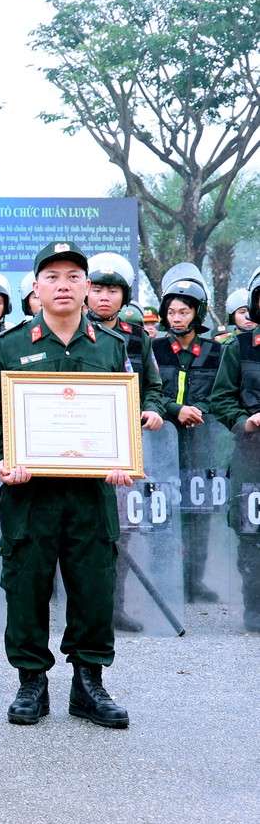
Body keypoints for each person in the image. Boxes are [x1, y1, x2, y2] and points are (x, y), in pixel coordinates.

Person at [0, 241, 136, 729]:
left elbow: (126, 410)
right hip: (30, 494)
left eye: (72, 277)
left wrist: (122, 455)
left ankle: (89, 684)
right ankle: (31, 683)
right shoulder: (11, 345)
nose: (62, 285)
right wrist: (3, 459)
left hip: (90, 495)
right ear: (36, 288)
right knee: (26, 585)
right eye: (52, 277)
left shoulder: (111, 347)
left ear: (87, 287)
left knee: (93, 587)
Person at [84, 253, 171, 631]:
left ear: (124, 296)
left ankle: (111, 607)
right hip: (71, 445)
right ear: (86, 292)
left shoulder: (138, 338)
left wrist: (152, 410)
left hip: (121, 447)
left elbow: (153, 386)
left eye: (113, 290)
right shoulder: (71, 330)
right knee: (71, 530)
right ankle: (74, 609)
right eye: (98, 289)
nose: (105, 296)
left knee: (119, 530)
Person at [150, 263, 223, 604]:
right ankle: (163, 579)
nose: (177, 317)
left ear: (197, 313)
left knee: (199, 513)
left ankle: (194, 581)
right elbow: (148, 392)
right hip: (160, 441)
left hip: (201, 442)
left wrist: (201, 411)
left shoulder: (216, 352)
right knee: (161, 510)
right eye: (172, 311)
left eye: (184, 311)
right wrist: (174, 410)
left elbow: (223, 394)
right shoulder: (155, 349)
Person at [208, 266, 260, 631]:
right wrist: (246, 422)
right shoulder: (238, 347)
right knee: (251, 533)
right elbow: (221, 399)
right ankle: (255, 606)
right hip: (252, 453)